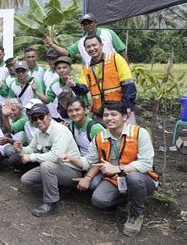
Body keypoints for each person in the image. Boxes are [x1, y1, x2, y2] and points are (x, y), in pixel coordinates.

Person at [60, 101, 157, 237]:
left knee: (133, 178)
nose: (109, 118)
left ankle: (136, 213)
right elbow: (90, 160)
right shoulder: (100, 137)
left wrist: (117, 168)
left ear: (124, 116)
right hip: (116, 179)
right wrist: (72, 159)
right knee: (99, 200)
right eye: (106, 115)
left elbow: (146, 164)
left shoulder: (139, 133)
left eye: (114, 114)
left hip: (143, 178)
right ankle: (127, 200)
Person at [18, 103, 82, 217]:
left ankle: (51, 203)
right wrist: (21, 149)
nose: (38, 121)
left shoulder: (59, 130)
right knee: (26, 180)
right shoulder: (39, 132)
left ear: (49, 116)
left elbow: (55, 157)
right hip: (55, 168)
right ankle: (59, 188)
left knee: (46, 165)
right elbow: (31, 148)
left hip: (72, 171)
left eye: (41, 117)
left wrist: (31, 157)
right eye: (34, 118)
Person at [78, 35, 137, 124]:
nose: (92, 48)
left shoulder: (115, 58)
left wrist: (128, 106)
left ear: (101, 45)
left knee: (128, 136)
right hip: (100, 115)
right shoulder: (86, 68)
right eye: (88, 47)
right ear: (85, 49)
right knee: (102, 137)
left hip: (120, 111)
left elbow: (128, 84)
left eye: (94, 45)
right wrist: (73, 85)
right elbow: (83, 89)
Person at [44, 13, 128, 65]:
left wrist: (126, 71)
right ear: (82, 27)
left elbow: (122, 51)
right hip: (95, 77)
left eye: (90, 22)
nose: (87, 25)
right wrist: (51, 44)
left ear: (95, 23)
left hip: (113, 71)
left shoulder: (108, 33)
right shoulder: (81, 42)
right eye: (84, 24)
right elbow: (67, 53)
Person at [43, 56, 88, 121]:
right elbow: (48, 99)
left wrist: (74, 86)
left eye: (64, 67)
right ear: (56, 70)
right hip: (63, 119)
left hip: (80, 118)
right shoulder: (54, 84)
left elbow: (85, 90)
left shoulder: (78, 81)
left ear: (71, 68)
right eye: (59, 68)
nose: (61, 70)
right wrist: (36, 92)